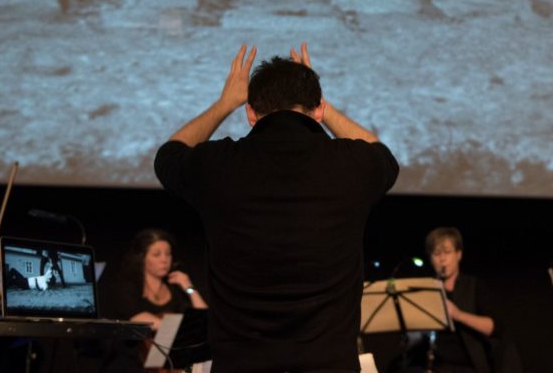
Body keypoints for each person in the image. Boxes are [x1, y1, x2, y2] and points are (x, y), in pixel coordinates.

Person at [154, 43, 399, 373]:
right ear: (318, 109)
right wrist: (323, 106)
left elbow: (168, 157)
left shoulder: (218, 165)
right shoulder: (352, 165)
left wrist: (225, 103)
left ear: (250, 113)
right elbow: (384, 158)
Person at [388, 227, 523, 373]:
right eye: (436, 254)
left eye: (447, 252)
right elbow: (409, 343)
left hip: (468, 366)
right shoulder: (426, 289)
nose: (442, 259)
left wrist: (458, 314)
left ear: (459, 254)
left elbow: (494, 328)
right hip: (433, 365)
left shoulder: (473, 285)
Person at [98, 228, 208, 373]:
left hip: (165, 366)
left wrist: (188, 286)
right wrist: (180, 329)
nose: (164, 259)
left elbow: (203, 317)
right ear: (142, 257)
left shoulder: (175, 288)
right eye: (156, 254)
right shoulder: (128, 286)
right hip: (131, 362)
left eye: (168, 253)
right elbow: (138, 318)